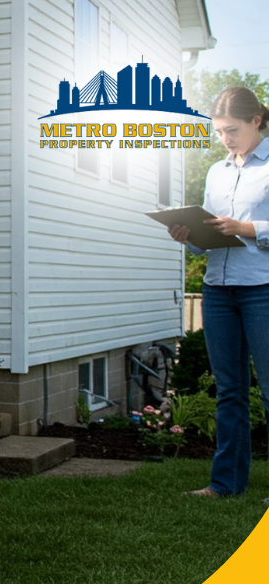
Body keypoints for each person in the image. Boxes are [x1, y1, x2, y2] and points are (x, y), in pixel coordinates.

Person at [168, 86, 269, 498]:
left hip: (262, 289)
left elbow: (243, 229)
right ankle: (225, 484)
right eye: (219, 132)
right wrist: (188, 235)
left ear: (256, 122)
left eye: (232, 130)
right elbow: (210, 234)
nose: (225, 139)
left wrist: (246, 229)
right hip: (217, 290)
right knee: (230, 391)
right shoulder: (216, 171)